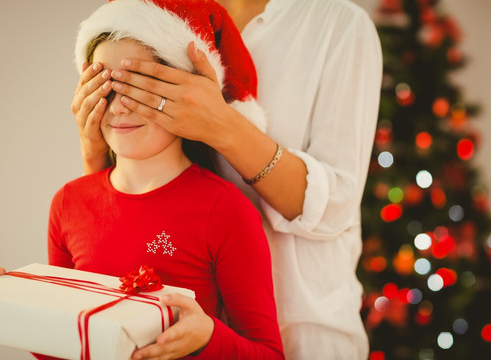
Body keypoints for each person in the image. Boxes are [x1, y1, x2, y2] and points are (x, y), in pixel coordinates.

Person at [74, 0, 383, 359]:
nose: (120, 106)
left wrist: (224, 126)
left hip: (304, 331)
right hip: (165, 334)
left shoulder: (336, 23)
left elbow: (336, 207)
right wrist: (94, 153)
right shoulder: (153, 11)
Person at [0, 1, 284, 359]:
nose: (118, 107)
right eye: (105, 86)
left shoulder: (225, 210)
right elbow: (69, 344)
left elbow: (268, 353)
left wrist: (208, 337)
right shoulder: (68, 203)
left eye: (137, 86)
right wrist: (19, 316)